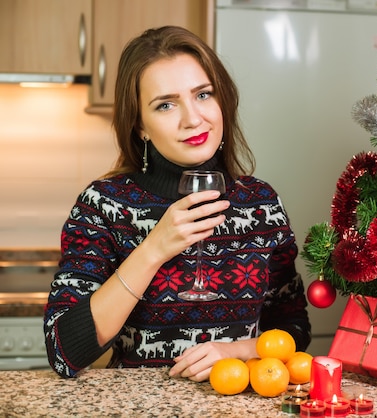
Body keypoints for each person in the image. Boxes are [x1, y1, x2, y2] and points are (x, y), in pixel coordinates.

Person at [44, 26, 311, 380]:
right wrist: (154, 248)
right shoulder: (104, 206)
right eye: (166, 104)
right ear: (140, 124)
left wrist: (236, 352)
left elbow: (294, 329)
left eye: (203, 95)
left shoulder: (260, 203)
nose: (192, 118)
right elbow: (64, 353)